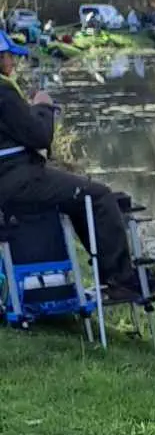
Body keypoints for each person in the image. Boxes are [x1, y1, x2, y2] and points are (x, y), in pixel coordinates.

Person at [0, 28, 142, 303]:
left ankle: (111, 275)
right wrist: (43, 107)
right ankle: (121, 280)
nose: (12, 63)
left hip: (9, 180)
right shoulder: (3, 92)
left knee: (80, 195)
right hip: (18, 181)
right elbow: (40, 136)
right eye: (8, 56)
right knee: (99, 196)